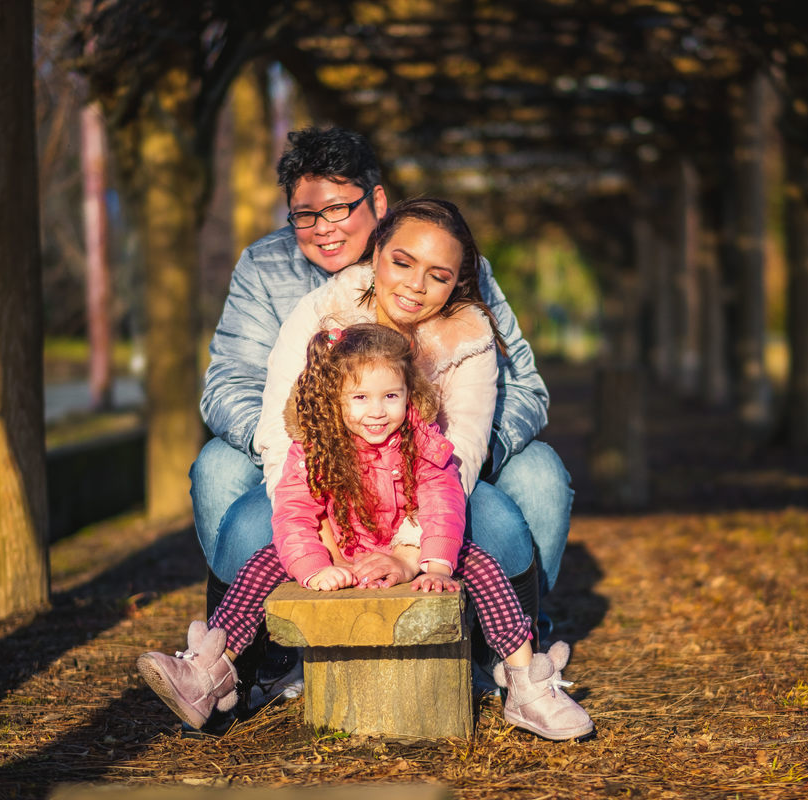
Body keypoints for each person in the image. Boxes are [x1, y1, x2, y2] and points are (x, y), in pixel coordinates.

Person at [192, 127, 571, 680]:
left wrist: (433, 463)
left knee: (537, 473)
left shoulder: (450, 265)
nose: (324, 228)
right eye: (305, 214)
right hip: (304, 451)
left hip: (434, 455)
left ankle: (510, 646)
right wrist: (323, 466)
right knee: (218, 466)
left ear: (378, 204)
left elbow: (525, 391)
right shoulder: (273, 273)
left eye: (341, 208)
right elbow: (229, 383)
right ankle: (251, 663)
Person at [139, 324, 593, 741]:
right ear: (334, 400)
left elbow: (443, 499)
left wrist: (433, 561)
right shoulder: (315, 448)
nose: (377, 412)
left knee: (479, 560)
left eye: (391, 396)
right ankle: (209, 672)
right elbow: (294, 512)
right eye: (360, 399)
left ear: (408, 393)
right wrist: (315, 564)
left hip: (406, 547)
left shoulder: (422, 441)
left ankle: (525, 682)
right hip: (339, 549)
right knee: (262, 561)